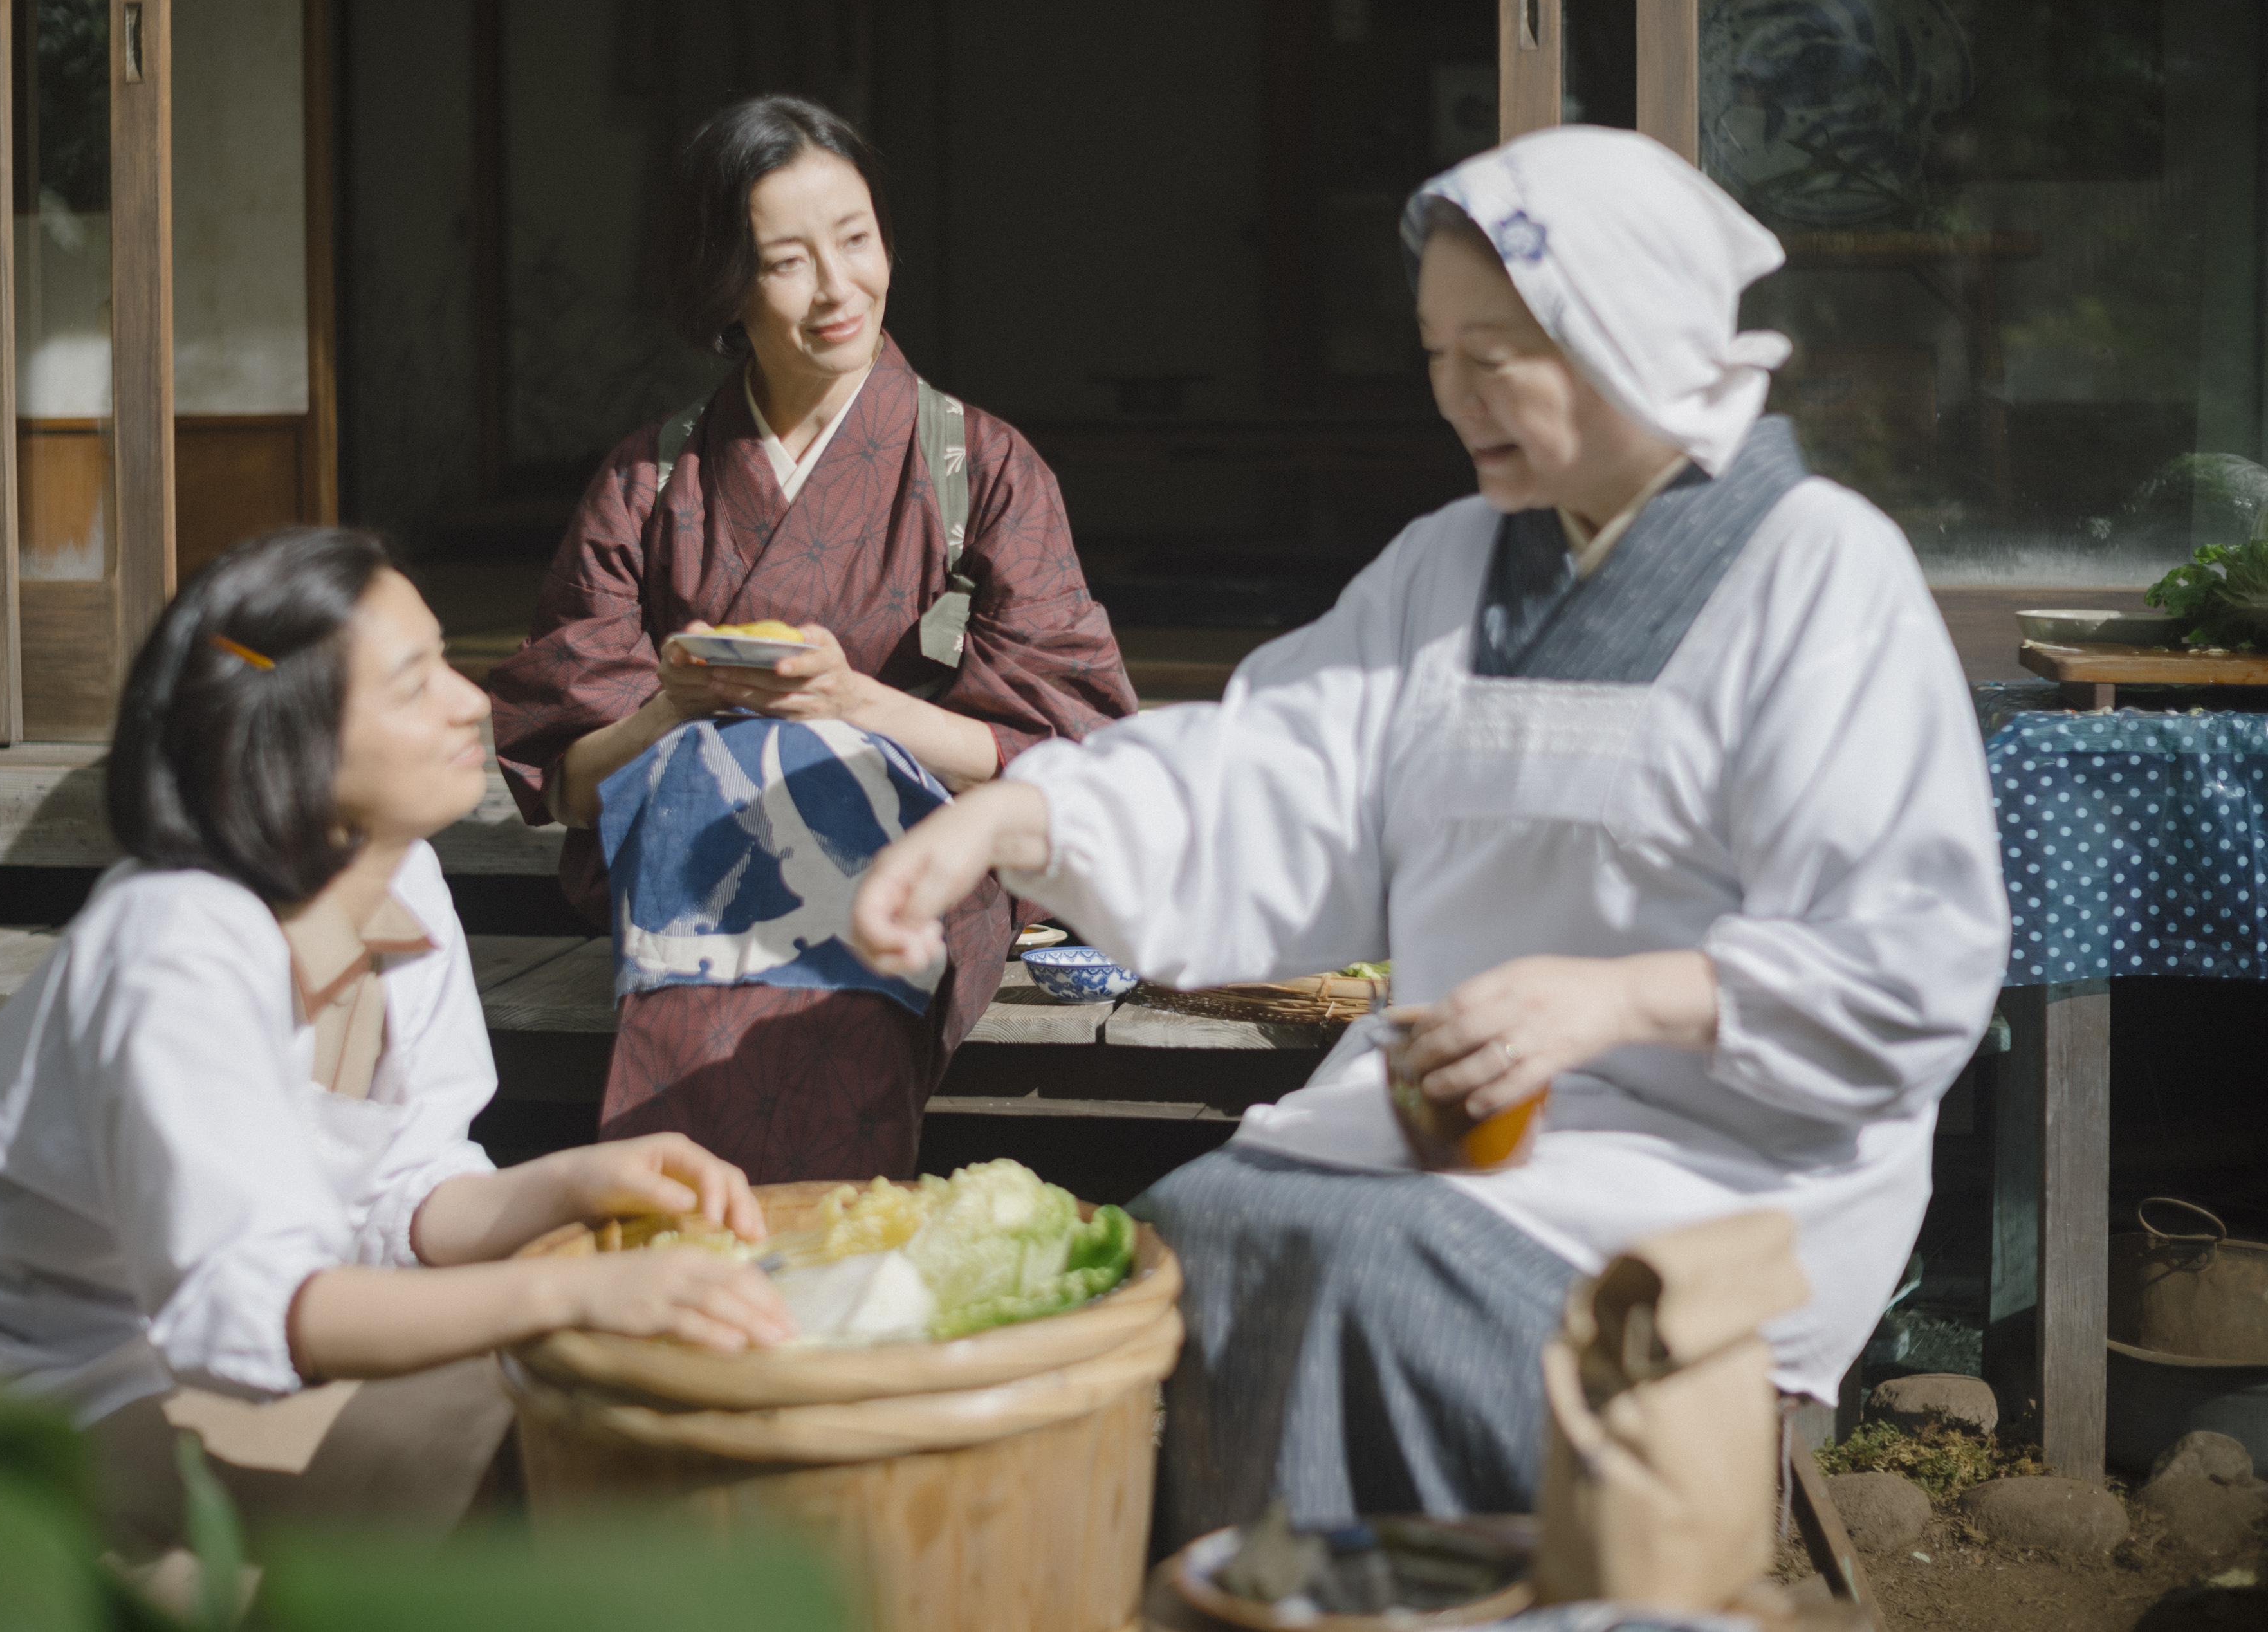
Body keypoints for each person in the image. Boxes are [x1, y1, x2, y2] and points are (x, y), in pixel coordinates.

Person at [852, 126, 2009, 1548]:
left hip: (1723, 1153)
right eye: (1432, 355)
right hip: (1461, 1119)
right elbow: (1268, 773)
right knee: (1203, 1227)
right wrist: (1011, 815)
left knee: (1367, 1272)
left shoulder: (1821, 573)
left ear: (1625, 329)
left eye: (1497, 352)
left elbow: (1910, 955)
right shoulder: (1449, 565)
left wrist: (1616, 997)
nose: (1454, 396)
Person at [0, 527, 795, 1558]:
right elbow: (247, 1306)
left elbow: (400, 1194)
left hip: (153, 1357)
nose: (469, 699)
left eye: (447, 659)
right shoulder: (174, 941)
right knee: (509, 1426)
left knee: (542, 1412)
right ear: (290, 736)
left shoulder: (394, 878)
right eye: (413, 685)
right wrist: (572, 1292)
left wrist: (585, 1182)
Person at [488, 95, 1134, 1184]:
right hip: (691, 867)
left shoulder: (985, 468)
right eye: (788, 260)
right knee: (718, 782)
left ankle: (759, 1228)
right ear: (722, 283)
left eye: (857, 240)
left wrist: (853, 708)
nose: (840, 289)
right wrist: (673, 709)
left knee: (831, 806)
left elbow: (1074, 748)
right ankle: (720, 1238)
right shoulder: (649, 482)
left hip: (916, 868)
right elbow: (571, 783)